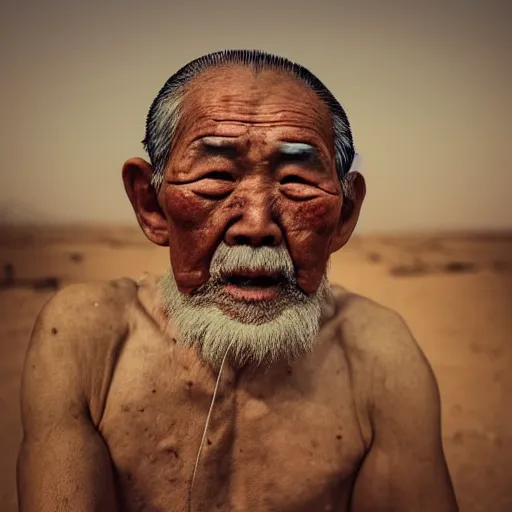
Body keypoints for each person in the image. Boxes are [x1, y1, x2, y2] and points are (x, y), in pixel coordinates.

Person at [17, 49, 459, 511]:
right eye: (215, 177)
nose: (256, 224)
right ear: (151, 204)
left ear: (345, 214)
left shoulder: (378, 358)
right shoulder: (87, 340)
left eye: (296, 181)